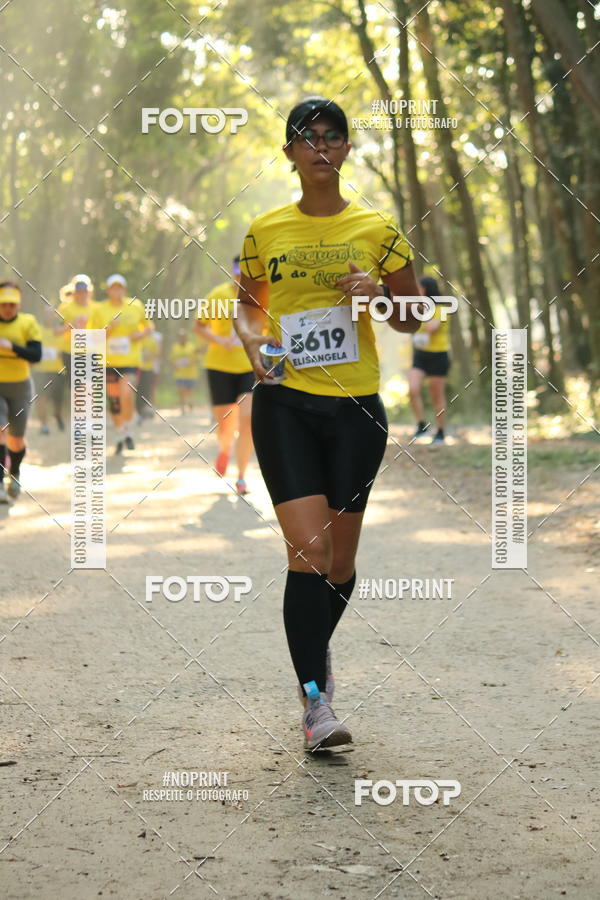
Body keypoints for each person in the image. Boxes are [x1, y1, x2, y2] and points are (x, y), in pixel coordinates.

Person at [234, 97, 422, 750]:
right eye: (306, 137)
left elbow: (415, 315)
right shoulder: (265, 230)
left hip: (356, 411)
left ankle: (315, 651)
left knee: (339, 564)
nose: (320, 146)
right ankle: (315, 701)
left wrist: (382, 296)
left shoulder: (377, 228)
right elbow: (247, 307)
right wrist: (251, 340)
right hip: (284, 402)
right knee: (307, 553)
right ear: (288, 153)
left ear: (346, 148)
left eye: (332, 136)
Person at [194, 256, 255, 495]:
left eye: (245, 274)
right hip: (219, 366)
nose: (241, 278)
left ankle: (241, 477)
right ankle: (224, 448)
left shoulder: (260, 296)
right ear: (232, 272)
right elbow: (199, 327)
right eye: (238, 273)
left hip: (249, 366)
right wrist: (220, 340)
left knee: (247, 418)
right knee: (226, 426)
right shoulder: (217, 295)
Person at [87, 273, 151, 454]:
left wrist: (139, 334)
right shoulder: (99, 310)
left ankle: (129, 429)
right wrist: (110, 327)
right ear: (108, 290)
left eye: (120, 287)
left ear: (124, 289)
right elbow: (93, 337)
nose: (117, 291)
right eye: (113, 288)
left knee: (126, 393)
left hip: (130, 361)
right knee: (114, 401)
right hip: (108, 362)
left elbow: (149, 327)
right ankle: (120, 432)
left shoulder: (135, 306)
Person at [0, 282, 42, 502]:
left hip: (20, 387)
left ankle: (14, 471)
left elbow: (36, 355)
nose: (8, 308)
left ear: (19, 304)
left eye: (12, 304)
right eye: (3, 304)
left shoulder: (28, 323)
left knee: (16, 440)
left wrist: (11, 347)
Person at [408, 275, 451, 445]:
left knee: (436, 395)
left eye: (418, 288)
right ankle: (421, 425)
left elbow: (432, 327)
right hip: (420, 355)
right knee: (412, 389)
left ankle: (440, 431)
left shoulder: (441, 309)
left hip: (438, 356)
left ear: (425, 289)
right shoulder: (418, 308)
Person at [33, 305, 65, 434]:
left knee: (58, 400)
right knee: (41, 398)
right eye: (46, 313)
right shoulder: (36, 330)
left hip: (58, 371)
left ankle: (57, 414)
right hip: (40, 371)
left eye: (51, 314)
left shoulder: (61, 332)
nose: (49, 316)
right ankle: (43, 425)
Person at [56, 275, 95, 379]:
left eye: (84, 291)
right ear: (74, 292)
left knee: (88, 385)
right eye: (79, 292)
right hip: (69, 352)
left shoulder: (96, 308)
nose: (82, 294)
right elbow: (56, 331)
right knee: (75, 385)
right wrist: (71, 325)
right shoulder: (64, 308)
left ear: (89, 292)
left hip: (90, 352)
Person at [169, 328, 198, 415]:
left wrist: (189, 363)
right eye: (180, 337)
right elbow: (172, 359)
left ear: (186, 337)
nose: (182, 338)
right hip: (180, 374)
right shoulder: (175, 347)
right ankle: (182, 407)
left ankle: (190, 402)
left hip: (191, 374)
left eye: (183, 336)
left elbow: (196, 358)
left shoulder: (191, 346)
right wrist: (175, 365)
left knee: (189, 390)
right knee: (181, 390)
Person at [136, 322, 158, 421]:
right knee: (137, 389)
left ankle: (144, 409)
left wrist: (148, 357)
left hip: (148, 368)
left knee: (147, 390)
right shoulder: (139, 340)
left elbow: (156, 353)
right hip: (138, 368)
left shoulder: (152, 341)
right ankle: (138, 410)